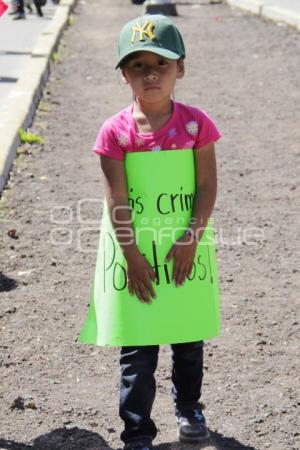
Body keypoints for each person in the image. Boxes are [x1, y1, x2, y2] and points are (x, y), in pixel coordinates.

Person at [93, 14, 221, 450]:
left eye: (161, 64)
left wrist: (191, 238)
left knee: (188, 341)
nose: (150, 73)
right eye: (137, 65)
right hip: (137, 259)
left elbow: (206, 186)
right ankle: (137, 431)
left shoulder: (196, 125)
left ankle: (189, 407)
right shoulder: (116, 132)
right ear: (124, 75)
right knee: (138, 353)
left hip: (185, 253)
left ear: (179, 69)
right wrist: (130, 257)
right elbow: (118, 200)